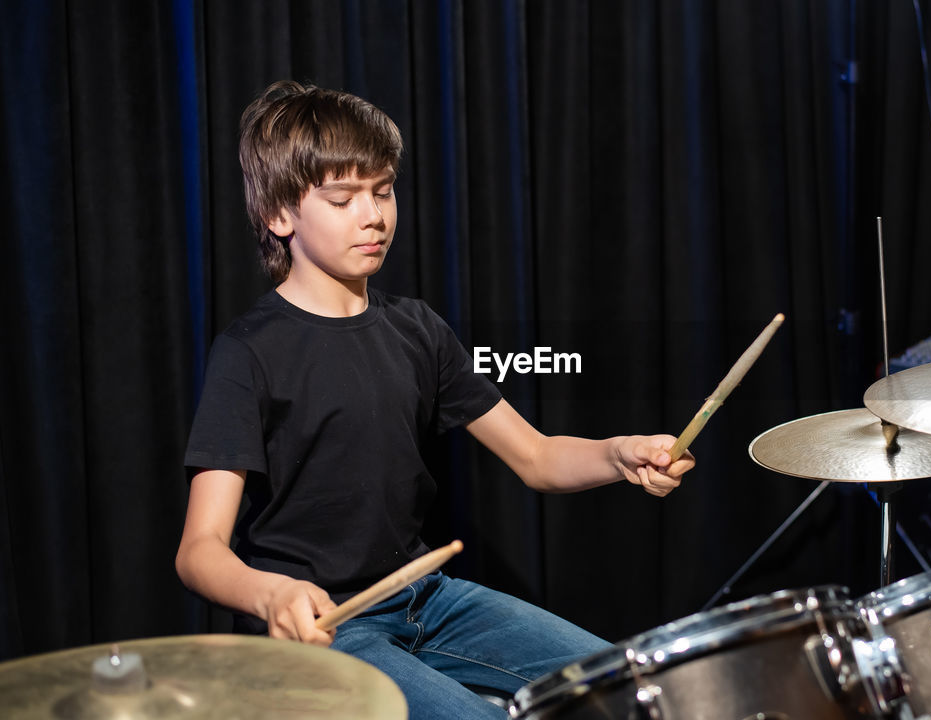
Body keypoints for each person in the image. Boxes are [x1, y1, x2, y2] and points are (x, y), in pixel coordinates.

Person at [175, 80, 695, 720]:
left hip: (430, 597)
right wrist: (270, 593)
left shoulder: (416, 328)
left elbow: (535, 456)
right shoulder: (248, 353)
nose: (374, 215)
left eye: (383, 191)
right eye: (343, 198)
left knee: (628, 690)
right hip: (333, 627)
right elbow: (199, 549)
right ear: (279, 215)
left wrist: (618, 455)